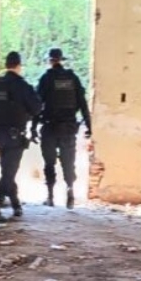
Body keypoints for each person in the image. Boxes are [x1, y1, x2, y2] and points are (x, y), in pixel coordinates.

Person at [0, 51, 42, 223]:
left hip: (0, 135)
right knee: (9, 173)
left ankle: (16, 205)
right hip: (16, 136)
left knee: (8, 171)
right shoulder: (22, 86)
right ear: (19, 66)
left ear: (6, 64)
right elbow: (37, 108)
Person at [36, 48, 92, 209]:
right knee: (68, 162)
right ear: (61, 60)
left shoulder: (46, 78)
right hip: (68, 128)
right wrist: (89, 126)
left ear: (50, 61)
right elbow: (82, 103)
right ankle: (70, 192)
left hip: (50, 127)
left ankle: (50, 196)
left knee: (49, 162)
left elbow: (37, 104)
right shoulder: (73, 78)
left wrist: (33, 127)